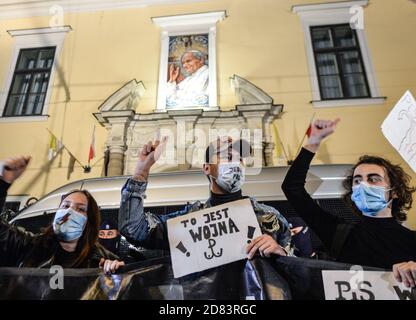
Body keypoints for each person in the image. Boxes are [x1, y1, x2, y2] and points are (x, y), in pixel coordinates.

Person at [281, 118, 416, 287]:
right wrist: (313, 141)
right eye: (357, 180)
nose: (364, 185)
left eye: (373, 179)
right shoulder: (338, 232)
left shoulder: (412, 240)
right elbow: (292, 188)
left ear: (394, 191)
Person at [119, 136, 292, 261]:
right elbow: (134, 230)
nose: (236, 163)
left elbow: (300, 267)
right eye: (227, 156)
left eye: (240, 159)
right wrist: (141, 172)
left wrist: (282, 253)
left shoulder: (269, 218)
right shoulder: (190, 219)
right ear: (207, 168)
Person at [0, 156, 125, 274]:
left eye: (80, 209)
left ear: (89, 221)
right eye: (65, 206)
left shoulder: (102, 260)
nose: (69, 212)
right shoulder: (27, 246)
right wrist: (3, 182)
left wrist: (113, 276)